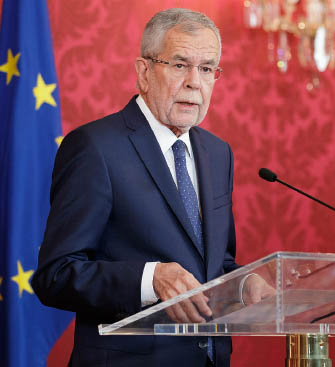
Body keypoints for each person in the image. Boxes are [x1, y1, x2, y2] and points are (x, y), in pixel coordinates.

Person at [32, 8, 272, 367]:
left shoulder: (218, 153)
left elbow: (214, 264)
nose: (195, 82)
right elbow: (56, 275)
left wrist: (243, 284)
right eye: (179, 65)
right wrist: (151, 278)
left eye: (207, 69)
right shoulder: (95, 147)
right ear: (144, 72)